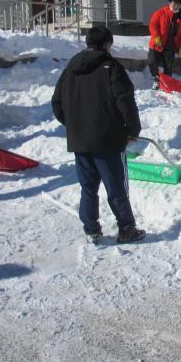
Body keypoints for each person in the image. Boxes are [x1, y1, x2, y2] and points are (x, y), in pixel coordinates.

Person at [52, 26, 146, 244]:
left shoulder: (70, 69)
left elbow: (56, 103)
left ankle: (91, 230)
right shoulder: (111, 67)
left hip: (80, 141)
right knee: (116, 187)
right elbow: (125, 100)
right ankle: (126, 228)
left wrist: (74, 124)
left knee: (88, 187)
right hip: (108, 140)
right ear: (107, 44)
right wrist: (132, 130)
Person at [147, 0, 181, 90]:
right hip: (157, 43)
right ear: (169, 2)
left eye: (178, 4)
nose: (176, 5)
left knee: (168, 67)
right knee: (152, 62)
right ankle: (156, 80)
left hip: (170, 46)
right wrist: (156, 37)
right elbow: (153, 25)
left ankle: (165, 83)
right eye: (174, 3)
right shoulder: (160, 13)